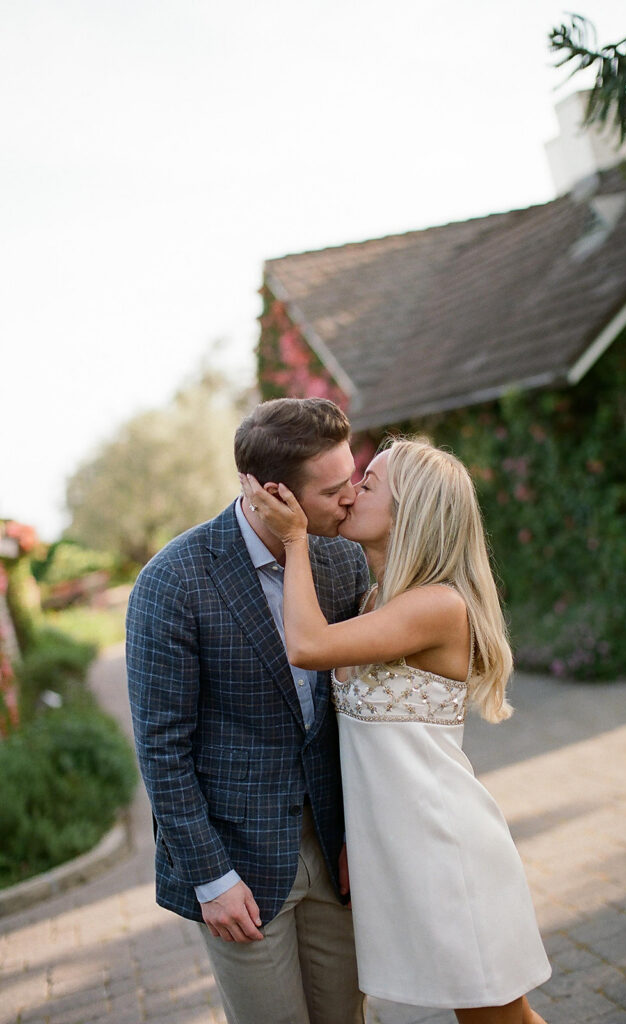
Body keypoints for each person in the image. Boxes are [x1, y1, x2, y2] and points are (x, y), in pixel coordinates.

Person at [241, 438, 552, 1024]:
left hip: (447, 847)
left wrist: (295, 539)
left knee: (498, 1019)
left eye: (370, 482)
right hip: (401, 853)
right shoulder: (376, 600)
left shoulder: (437, 606)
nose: (352, 490)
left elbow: (307, 646)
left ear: (410, 511)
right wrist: (354, 841)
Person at [126, 397, 370, 1024]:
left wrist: (361, 834)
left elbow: (353, 714)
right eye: (334, 489)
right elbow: (162, 750)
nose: (351, 498)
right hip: (241, 866)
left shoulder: (342, 560)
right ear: (274, 494)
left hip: (336, 849)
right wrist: (210, 878)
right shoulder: (172, 582)